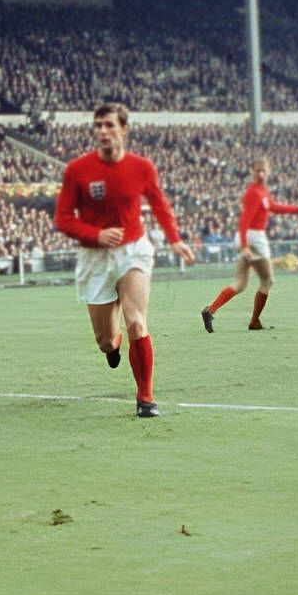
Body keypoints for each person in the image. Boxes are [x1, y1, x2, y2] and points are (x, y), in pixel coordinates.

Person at [54, 103, 195, 419]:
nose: (103, 131)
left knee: (136, 320)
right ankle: (113, 346)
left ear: (123, 129)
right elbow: (63, 219)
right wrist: (96, 234)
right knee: (105, 340)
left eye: (109, 125)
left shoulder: (141, 167)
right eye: (98, 125)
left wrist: (175, 239)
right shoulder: (77, 170)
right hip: (95, 256)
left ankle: (145, 397)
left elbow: (159, 204)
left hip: (134, 250)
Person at [200, 157, 298, 332]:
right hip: (253, 237)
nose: (261, 173)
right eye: (257, 170)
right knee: (267, 280)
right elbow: (245, 219)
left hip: (247, 237)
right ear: (252, 171)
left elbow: (274, 207)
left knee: (240, 284)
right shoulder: (254, 192)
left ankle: (210, 310)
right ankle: (254, 322)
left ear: (268, 171)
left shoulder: (262, 191)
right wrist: (245, 245)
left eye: (263, 170)